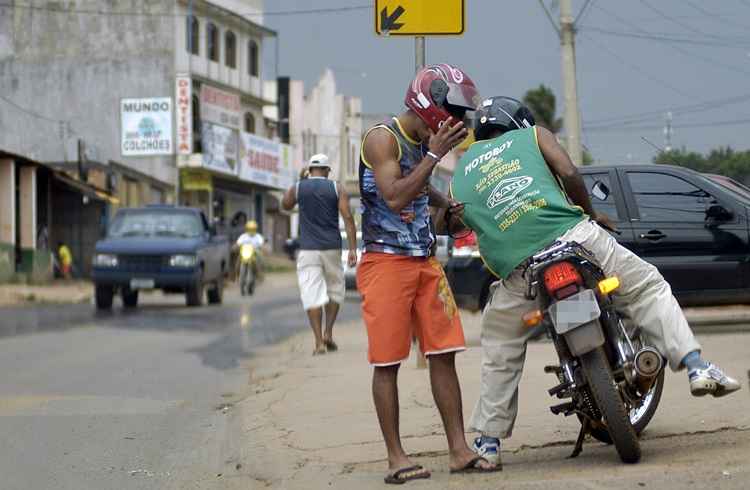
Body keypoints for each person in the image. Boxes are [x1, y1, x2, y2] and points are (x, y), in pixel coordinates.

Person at [445, 96, 741, 467]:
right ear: (519, 123)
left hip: (522, 270)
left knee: (501, 347)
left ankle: (488, 441)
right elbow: (569, 173)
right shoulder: (534, 136)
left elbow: (452, 223)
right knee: (648, 287)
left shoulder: (460, 173)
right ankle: (697, 365)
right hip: (576, 240)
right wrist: (589, 214)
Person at [358, 64, 498, 484]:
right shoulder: (383, 139)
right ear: (431, 105)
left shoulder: (422, 141)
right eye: (453, 111)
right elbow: (396, 193)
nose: (459, 121)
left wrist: (445, 203)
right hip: (385, 263)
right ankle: (396, 457)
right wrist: (435, 156)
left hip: (424, 262)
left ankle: (458, 449)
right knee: (387, 363)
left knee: (444, 354)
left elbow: (418, 188)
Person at [282, 154, 358, 355]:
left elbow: (285, 204)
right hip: (332, 248)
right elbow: (348, 217)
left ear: (310, 170)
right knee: (335, 289)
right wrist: (352, 249)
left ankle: (318, 343)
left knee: (312, 294)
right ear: (326, 170)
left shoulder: (299, 187)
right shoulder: (336, 188)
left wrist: (299, 182)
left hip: (307, 250)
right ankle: (328, 333)